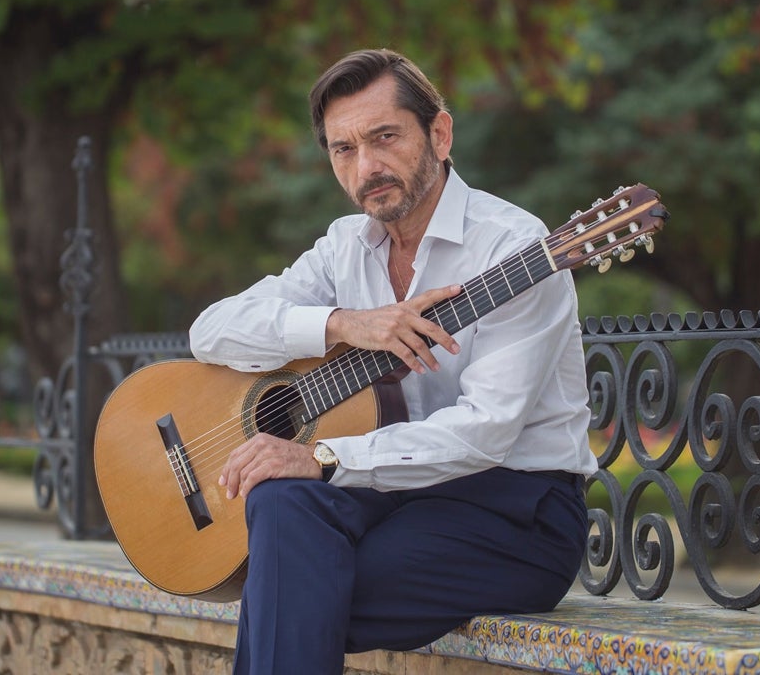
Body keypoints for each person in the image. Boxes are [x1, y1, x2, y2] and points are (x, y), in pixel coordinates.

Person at [189, 48, 596, 675]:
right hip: (391, 491)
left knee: (296, 593)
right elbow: (210, 331)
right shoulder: (342, 248)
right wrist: (345, 324)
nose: (367, 167)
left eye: (384, 138)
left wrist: (323, 457)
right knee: (279, 505)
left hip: (516, 511)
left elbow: (487, 431)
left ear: (439, 133)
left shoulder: (514, 249)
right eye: (343, 149)